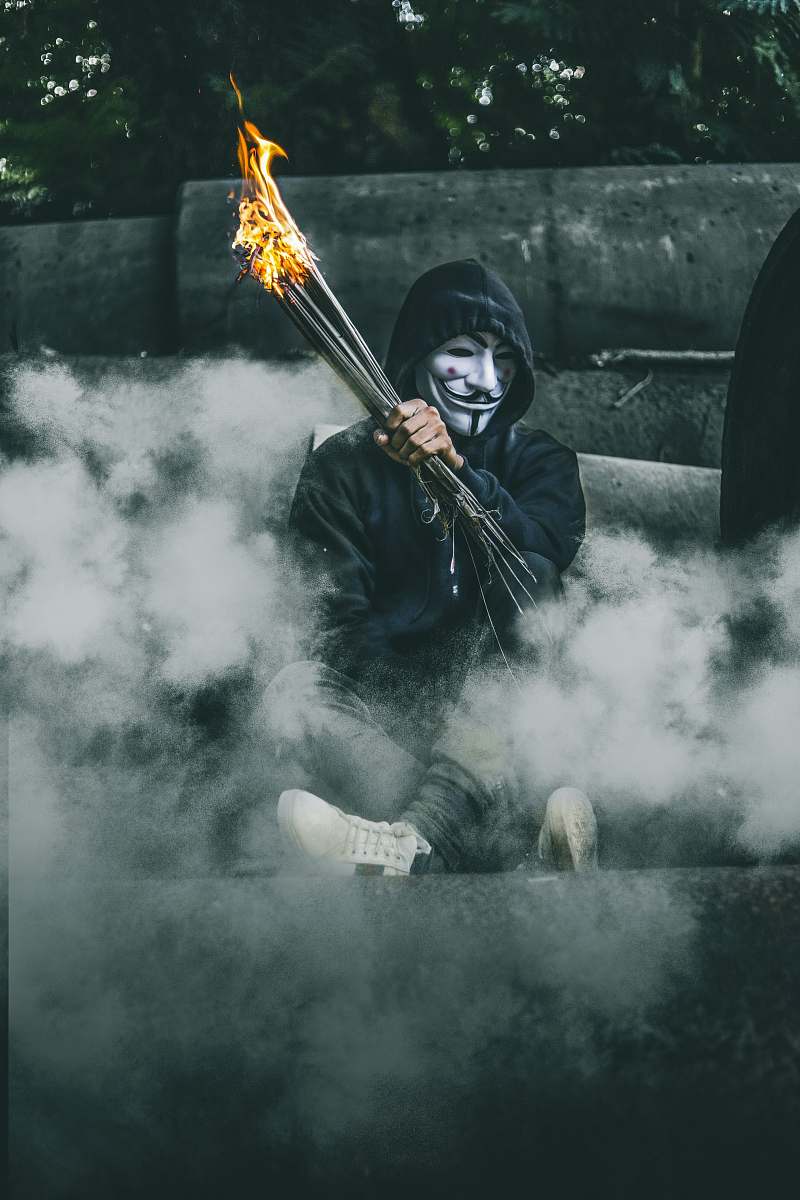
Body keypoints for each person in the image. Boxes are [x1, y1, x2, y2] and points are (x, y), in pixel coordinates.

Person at [266, 259, 597, 876]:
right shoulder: (341, 466)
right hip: (387, 727)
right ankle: (499, 843)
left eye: (502, 359)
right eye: (462, 353)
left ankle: (405, 848)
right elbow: (331, 622)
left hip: (499, 723)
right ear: (418, 357)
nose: (484, 379)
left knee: (533, 585)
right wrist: (411, 716)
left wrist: (459, 476)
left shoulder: (544, 463)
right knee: (291, 696)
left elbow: (543, 550)